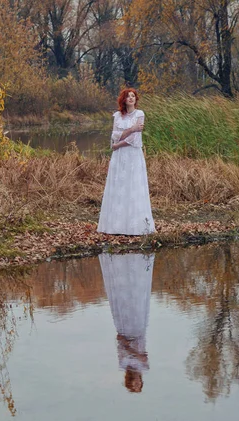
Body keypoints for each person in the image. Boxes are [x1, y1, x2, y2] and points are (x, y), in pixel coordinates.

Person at [97, 88, 155, 235]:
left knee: (133, 186)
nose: (131, 98)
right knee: (119, 186)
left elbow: (134, 139)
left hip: (132, 155)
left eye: (133, 96)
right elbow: (114, 135)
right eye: (128, 96)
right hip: (119, 157)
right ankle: (116, 226)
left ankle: (135, 226)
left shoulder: (140, 114)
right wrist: (131, 129)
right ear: (123, 99)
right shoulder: (117, 116)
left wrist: (118, 144)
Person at [99, 252, 154, 393]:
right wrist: (130, 349)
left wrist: (128, 348)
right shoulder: (144, 367)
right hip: (138, 331)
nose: (137, 382)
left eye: (135, 385)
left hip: (125, 330)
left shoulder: (123, 364)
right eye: (139, 384)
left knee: (125, 306)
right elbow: (143, 356)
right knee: (136, 305)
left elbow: (120, 341)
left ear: (129, 381)